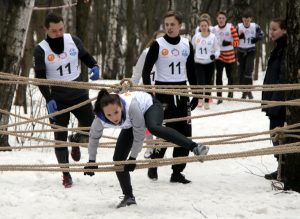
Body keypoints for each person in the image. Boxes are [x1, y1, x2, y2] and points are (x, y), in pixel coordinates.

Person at [84, 89, 209, 208]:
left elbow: (139, 134)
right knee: (118, 160)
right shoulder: (99, 119)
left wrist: (132, 158)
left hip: (150, 107)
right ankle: (129, 197)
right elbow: (93, 138)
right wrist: (91, 161)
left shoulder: (131, 107)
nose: (114, 118)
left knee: (153, 127)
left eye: (116, 112)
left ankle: (196, 147)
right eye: (109, 115)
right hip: (131, 122)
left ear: (121, 106)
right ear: (103, 113)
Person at [33, 13, 100, 188]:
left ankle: (76, 139)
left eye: (61, 29)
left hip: (78, 94)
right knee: (60, 138)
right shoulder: (41, 49)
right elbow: (39, 78)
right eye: (54, 31)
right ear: (46, 30)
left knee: (92, 127)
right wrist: (48, 99)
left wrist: (94, 65)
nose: (58, 33)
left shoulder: (73, 40)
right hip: (57, 98)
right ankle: (66, 174)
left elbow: (85, 56)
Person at [142, 11, 199, 184]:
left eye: (172, 24)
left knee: (184, 133)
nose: (169, 27)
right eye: (166, 24)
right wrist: (149, 92)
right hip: (163, 91)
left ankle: (177, 171)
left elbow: (191, 71)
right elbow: (146, 70)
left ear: (179, 26)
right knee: (164, 132)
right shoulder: (157, 44)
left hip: (182, 91)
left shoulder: (186, 44)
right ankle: (155, 162)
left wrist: (196, 94)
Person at [131, 30, 165, 158]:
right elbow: (137, 73)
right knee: (147, 119)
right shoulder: (146, 53)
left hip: (164, 90)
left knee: (163, 120)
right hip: (147, 90)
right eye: (159, 39)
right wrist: (130, 86)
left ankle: (159, 146)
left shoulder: (169, 54)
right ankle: (149, 145)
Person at [262, 18, 287, 181]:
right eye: (270, 29)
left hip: (279, 102)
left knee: (279, 135)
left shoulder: (285, 49)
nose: (271, 32)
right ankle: (281, 167)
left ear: (284, 30)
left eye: (275, 29)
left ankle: (284, 169)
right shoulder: (278, 48)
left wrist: (275, 103)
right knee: (274, 134)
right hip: (273, 99)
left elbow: (282, 77)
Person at [211, 11, 239, 104]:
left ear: (225, 19)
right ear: (217, 19)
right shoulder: (214, 29)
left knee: (230, 76)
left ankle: (230, 93)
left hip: (230, 55)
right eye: (219, 18)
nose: (221, 20)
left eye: (223, 18)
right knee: (218, 75)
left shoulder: (230, 27)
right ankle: (219, 97)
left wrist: (229, 43)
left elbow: (237, 42)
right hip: (219, 55)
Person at [192, 18, 220, 110]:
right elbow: (192, 48)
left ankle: (207, 101)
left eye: (205, 25)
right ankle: (200, 99)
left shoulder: (212, 37)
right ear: (199, 27)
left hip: (209, 63)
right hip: (198, 62)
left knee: (208, 82)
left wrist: (214, 55)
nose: (203, 27)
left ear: (208, 26)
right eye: (202, 26)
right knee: (200, 81)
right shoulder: (196, 37)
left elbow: (217, 49)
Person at [236, 10, 264, 99]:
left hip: (251, 50)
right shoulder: (238, 26)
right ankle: (244, 92)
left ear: (250, 19)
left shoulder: (255, 26)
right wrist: (238, 37)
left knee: (248, 70)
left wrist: (257, 38)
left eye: (248, 20)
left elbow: (262, 34)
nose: (246, 22)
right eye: (245, 20)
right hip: (241, 51)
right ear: (242, 20)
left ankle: (249, 91)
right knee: (242, 71)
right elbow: (232, 37)